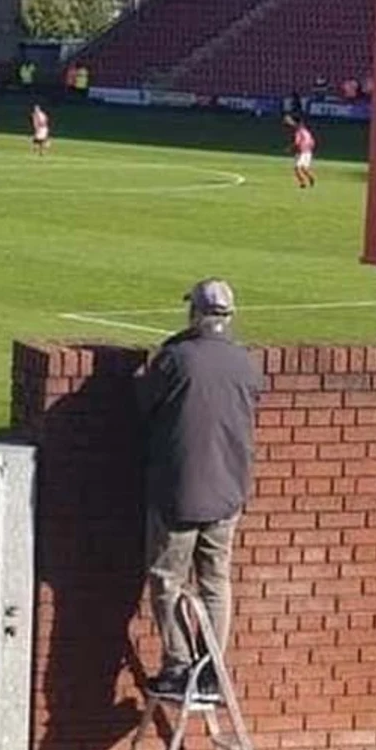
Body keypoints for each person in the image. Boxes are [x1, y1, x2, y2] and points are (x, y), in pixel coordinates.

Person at [135, 279, 263, 698]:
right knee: (215, 581)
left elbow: (144, 404)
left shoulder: (177, 359)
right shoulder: (245, 362)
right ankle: (211, 670)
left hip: (180, 491)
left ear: (196, 314)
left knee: (166, 578)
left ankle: (178, 665)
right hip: (229, 491)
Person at [286, 114, 317, 188]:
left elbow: (297, 142)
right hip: (308, 151)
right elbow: (312, 142)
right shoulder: (306, 131)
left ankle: (303, 183)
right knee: (304, 168)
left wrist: (290, 148)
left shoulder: (298, 131)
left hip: (301, 151)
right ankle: (311, 178)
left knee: (297, 168)